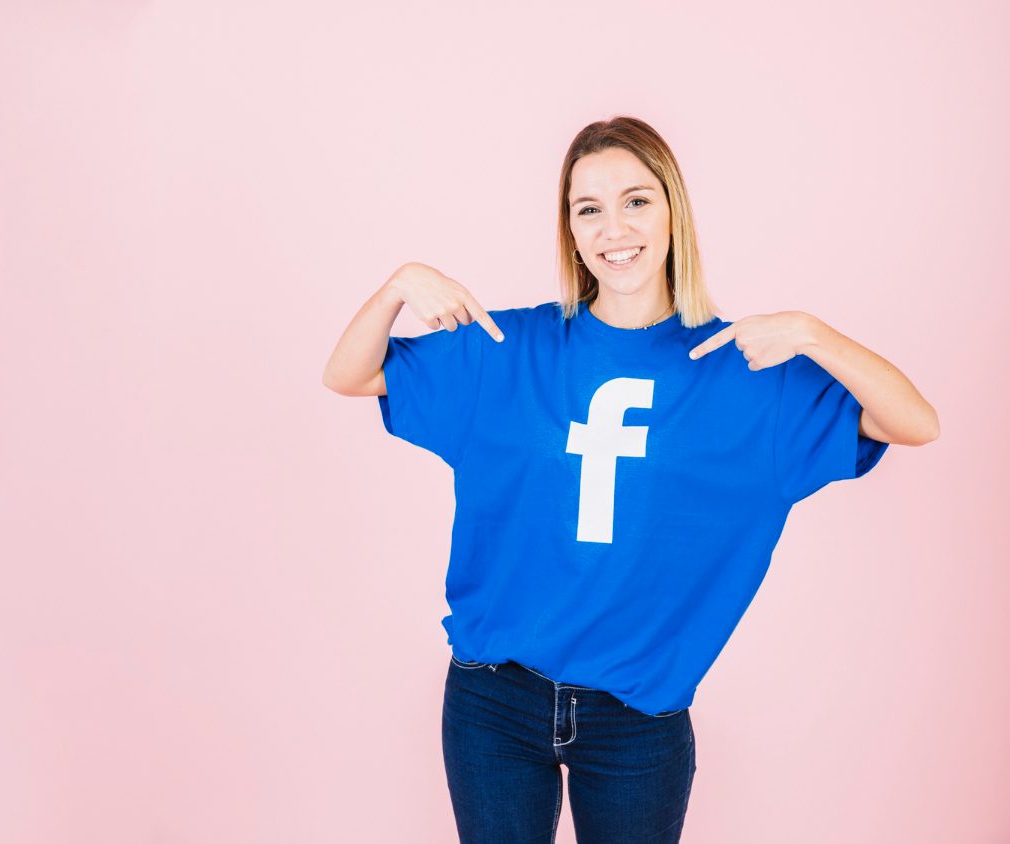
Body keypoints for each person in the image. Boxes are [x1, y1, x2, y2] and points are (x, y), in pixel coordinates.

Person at [320, 115, 939, 843]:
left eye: (636, 200)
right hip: (493, 700)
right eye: (590, 209)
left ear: (673, 209)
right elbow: (349, 374)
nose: (615, 228)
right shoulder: (506, 348)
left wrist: (809, 332)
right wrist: (397, 284)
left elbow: (914, 421)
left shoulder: (742, 374)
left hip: (638, 723)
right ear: (572, 231)